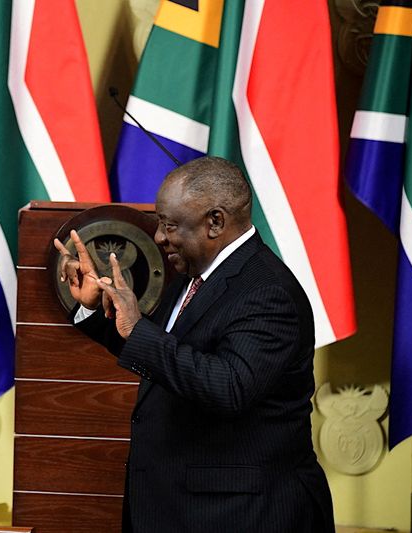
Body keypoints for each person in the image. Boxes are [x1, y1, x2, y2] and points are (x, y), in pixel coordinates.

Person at [54, 156, 334, 532]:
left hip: (241, 515)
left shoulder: (268, 292)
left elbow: (228, 387)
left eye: (169, 225)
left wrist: (138, 330)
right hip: (182, 508)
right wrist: (95, 309)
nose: (158, 237)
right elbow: (167, 360)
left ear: (215, 222)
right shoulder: (195, 276)